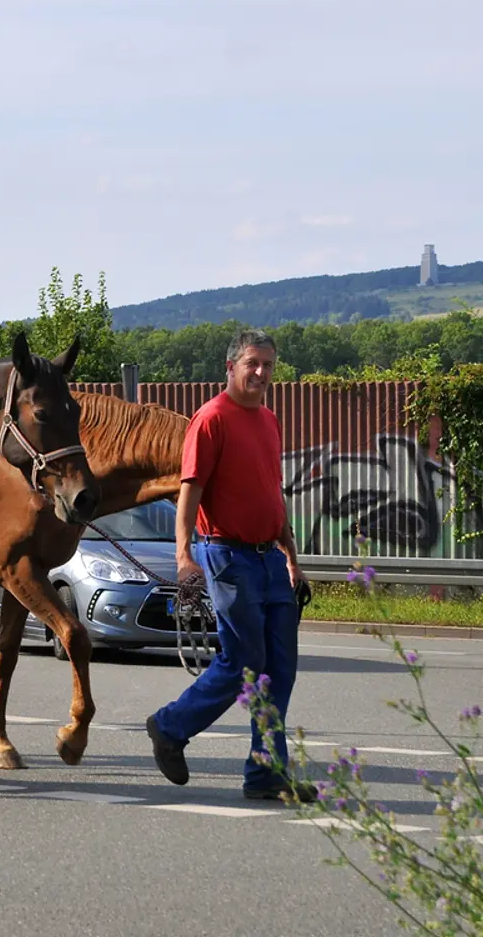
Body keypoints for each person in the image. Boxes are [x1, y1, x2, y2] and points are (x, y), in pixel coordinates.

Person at [145, 329, 319, 802]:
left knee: (279, 670)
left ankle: (265, 773)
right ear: (231, 368)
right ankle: (169, 726)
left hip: (270, 560)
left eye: (268, 364)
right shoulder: (211, 419)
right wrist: (184, 558)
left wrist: (292, 558)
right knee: (244, 661)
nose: (262, 373)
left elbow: (271, 493)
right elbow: (190, 493)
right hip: (228, 556)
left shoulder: (269, 420)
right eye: (252, 364)